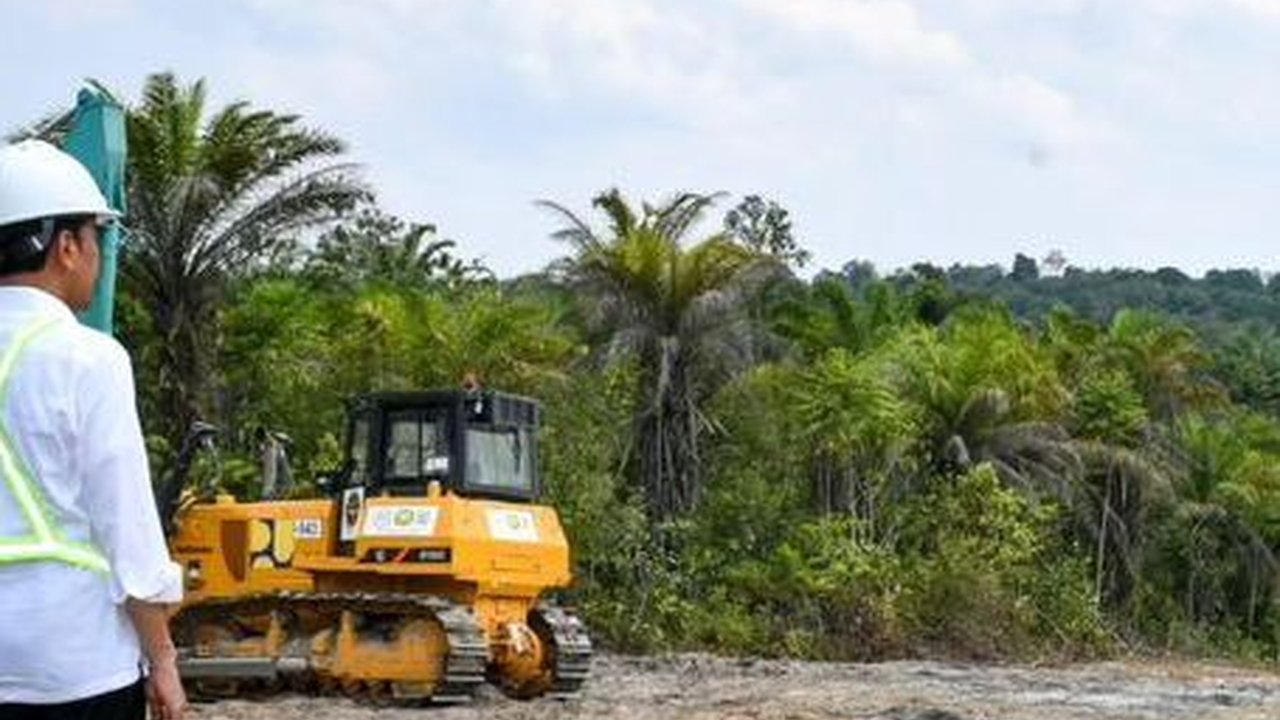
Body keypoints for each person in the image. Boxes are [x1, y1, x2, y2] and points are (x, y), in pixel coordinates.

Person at [0, 140, 187, 720]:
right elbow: (126, 525)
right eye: (98, 239)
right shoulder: (88, 358)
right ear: (67, 247)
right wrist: (162, 659)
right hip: (74, 664)